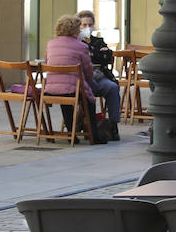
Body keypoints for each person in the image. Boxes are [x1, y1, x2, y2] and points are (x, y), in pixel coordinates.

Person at [44, 13, 109, 144]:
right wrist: (89, 82)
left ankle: (71, 133)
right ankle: (93, 136)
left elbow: (47, 62)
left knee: (65, 100)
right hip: (74, 89)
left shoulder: (51, 44)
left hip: (51, 89)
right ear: (74, 30)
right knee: (89, 101)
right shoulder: (81, 46)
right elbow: (87, 71)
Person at [74, 9, 122, 138]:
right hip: (84, 78)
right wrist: (96, 55)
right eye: (84, 25)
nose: (87, 28)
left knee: (112, 87)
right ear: (78, 26)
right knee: (90, 87)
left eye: (90, 25)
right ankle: (90, 124)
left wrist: (94, 55)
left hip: (101, 76)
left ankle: (113, 124)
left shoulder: (98, 41)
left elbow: (107, 55)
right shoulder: (76, 42)